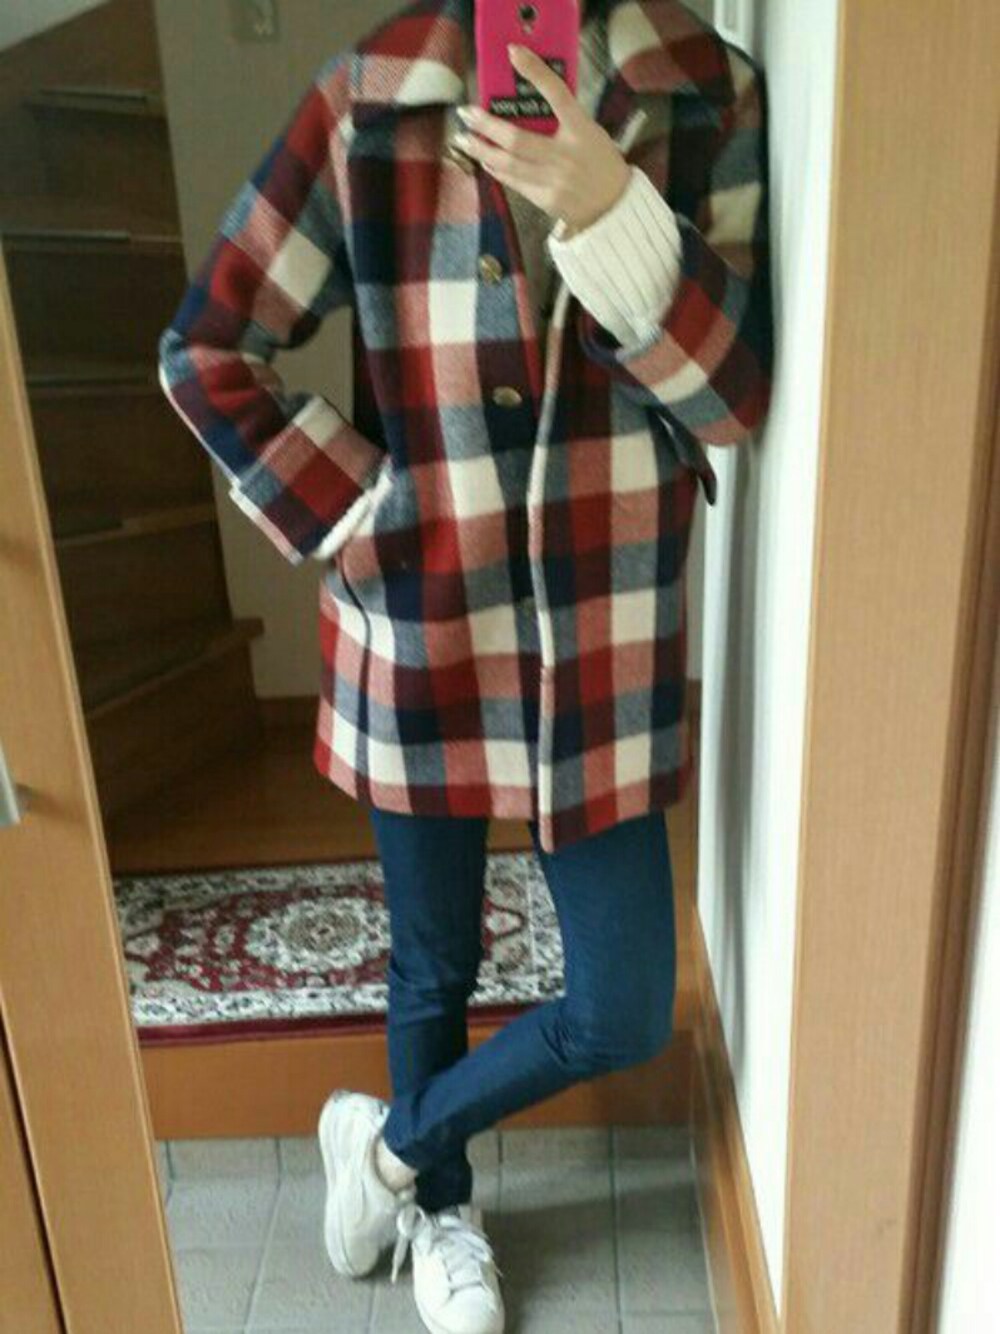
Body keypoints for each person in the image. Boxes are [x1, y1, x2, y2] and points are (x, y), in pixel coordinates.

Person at [157, 0, 772, 1329]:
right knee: (432, 963)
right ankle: (441, 1204)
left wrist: (614, 210)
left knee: (622, 1006)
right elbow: (207, 348)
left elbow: (730, 399)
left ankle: (384, 1149)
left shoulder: (702, 89)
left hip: (606, 636)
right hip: (420, 625)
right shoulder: (367, 100)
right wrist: (359, 510)